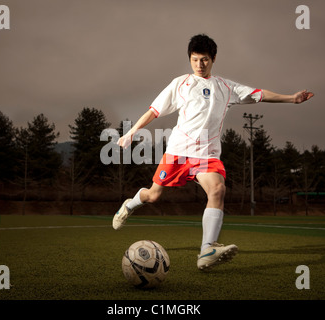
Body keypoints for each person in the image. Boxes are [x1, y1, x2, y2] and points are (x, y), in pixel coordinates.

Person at [112, 34, 314, 270]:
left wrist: (292, 98)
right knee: (153, 195)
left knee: (218, 189)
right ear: (189, 59)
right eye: (195, 59)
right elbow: (154, 110)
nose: (199, 65)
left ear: (214, 59)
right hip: (178, 151)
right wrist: (132, 131)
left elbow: (259, 94)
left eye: (205, 59)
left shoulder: (226, 87)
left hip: (206, 156)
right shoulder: (180, 83)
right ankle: (129, 205)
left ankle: (207, 249)